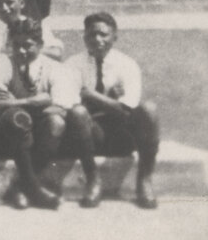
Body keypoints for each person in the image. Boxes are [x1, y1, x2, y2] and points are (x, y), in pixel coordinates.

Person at [64, 12, 159, 209]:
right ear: (84, 37)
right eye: (91, 35)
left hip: (122, 135)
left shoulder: (127, 65)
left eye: (103, 35)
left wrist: (90, 95)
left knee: (149, 110)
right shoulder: (72, 65)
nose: (97, 40)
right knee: (78, 113)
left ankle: (144, 181)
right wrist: (111, 100)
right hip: (90, 135)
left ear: (114, 37)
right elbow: (69, 105)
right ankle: (93, 181)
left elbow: (128, 108)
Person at [0, 19, 76, 210]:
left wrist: (15, 101)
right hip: (8, 128)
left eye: (27, 45)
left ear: (40, 45)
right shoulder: (4, 63)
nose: (21, 51)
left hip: (40, 129)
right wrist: (31, 102)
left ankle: (21, 187)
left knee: (56, 123)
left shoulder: (54, 68)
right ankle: (34, 189)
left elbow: (61, 107)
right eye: (16, 45)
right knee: (19, 119)